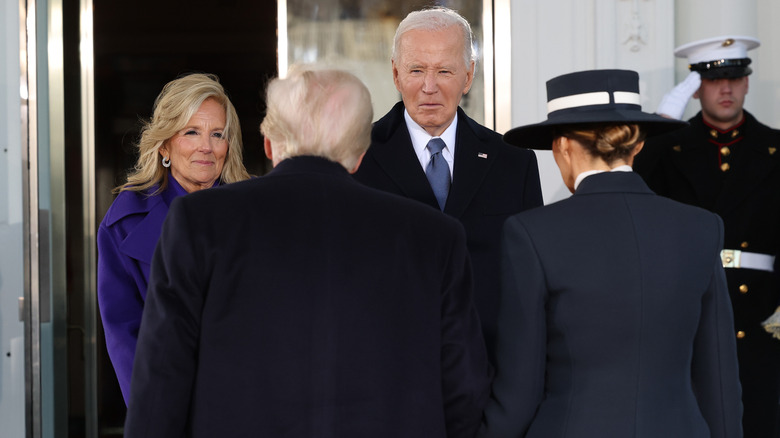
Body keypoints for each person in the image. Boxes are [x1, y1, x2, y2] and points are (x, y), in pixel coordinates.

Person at [123, 68, 491, 438]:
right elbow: (464, 393)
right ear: (359, 155)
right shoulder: (436, 237)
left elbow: (161, 383)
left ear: (269, 145)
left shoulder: (198, 222)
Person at [481, 69, 743, 437]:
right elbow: (720, 382)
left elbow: (519, 391)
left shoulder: (532, 233)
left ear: (563, 146)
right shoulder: (701, 228)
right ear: (637, 145)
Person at [353, 7, 543, 363]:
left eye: (444, 71)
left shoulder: (513, 163)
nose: (429, 87)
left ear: (468, 76)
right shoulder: (355, 158)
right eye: (416, 70)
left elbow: (531, 286)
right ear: (395, 74)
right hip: (385, 366)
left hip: (487, 369)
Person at [634, 35, 780, 437]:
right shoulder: (669, 148)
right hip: (686, 306)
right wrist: (661, 123)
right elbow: (630, 188)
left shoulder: (775, 148)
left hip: (761, 314)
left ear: (747, 82)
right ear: (696, 88)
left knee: (757, 421)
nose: (726, 89)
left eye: (735, 78)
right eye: (714, 80)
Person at [97, 73, 251, 404]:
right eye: (191, 132)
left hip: (247, 401)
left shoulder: (255, 213)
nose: (206, 147)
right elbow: (124, 335)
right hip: (169, 404)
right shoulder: (123, 223)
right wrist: (154, 414)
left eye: (217, 134)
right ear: (165, 144)